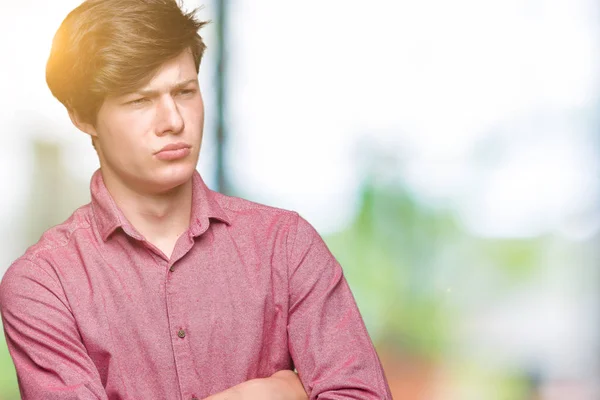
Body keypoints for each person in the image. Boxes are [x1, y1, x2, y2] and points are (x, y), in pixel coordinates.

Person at [0, 0, 393, 399]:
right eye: (140, 100)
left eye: (185, 91)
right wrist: (256, 396)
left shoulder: (285, 245)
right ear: (82, 117)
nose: (173, 120)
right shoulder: (43, 285)